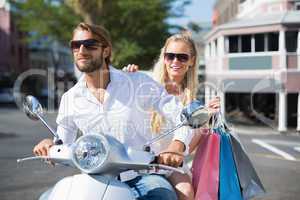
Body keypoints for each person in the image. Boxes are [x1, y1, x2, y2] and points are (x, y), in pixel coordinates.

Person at [33, 22, 196, 200]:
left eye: (90, 45)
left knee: (162, 196)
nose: (81, 50)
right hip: (94, 179)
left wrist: (177, 145)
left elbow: (182, 114)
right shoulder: (70, 98)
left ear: (106, 51)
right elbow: (63, 143)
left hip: (143, 176)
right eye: (75, 45)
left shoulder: (138, 82)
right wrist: (49, 145)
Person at [123, 31, 220, 200]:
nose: (175, 61)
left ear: (192, 61)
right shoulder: (145, 83)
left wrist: (206, 119)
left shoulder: (191, 101)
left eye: (182, 57)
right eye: (170, 56)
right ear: (164, 58)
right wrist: (127, 76)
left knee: (186, 192)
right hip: (140, 162)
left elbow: (189, 149)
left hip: (171, 165)